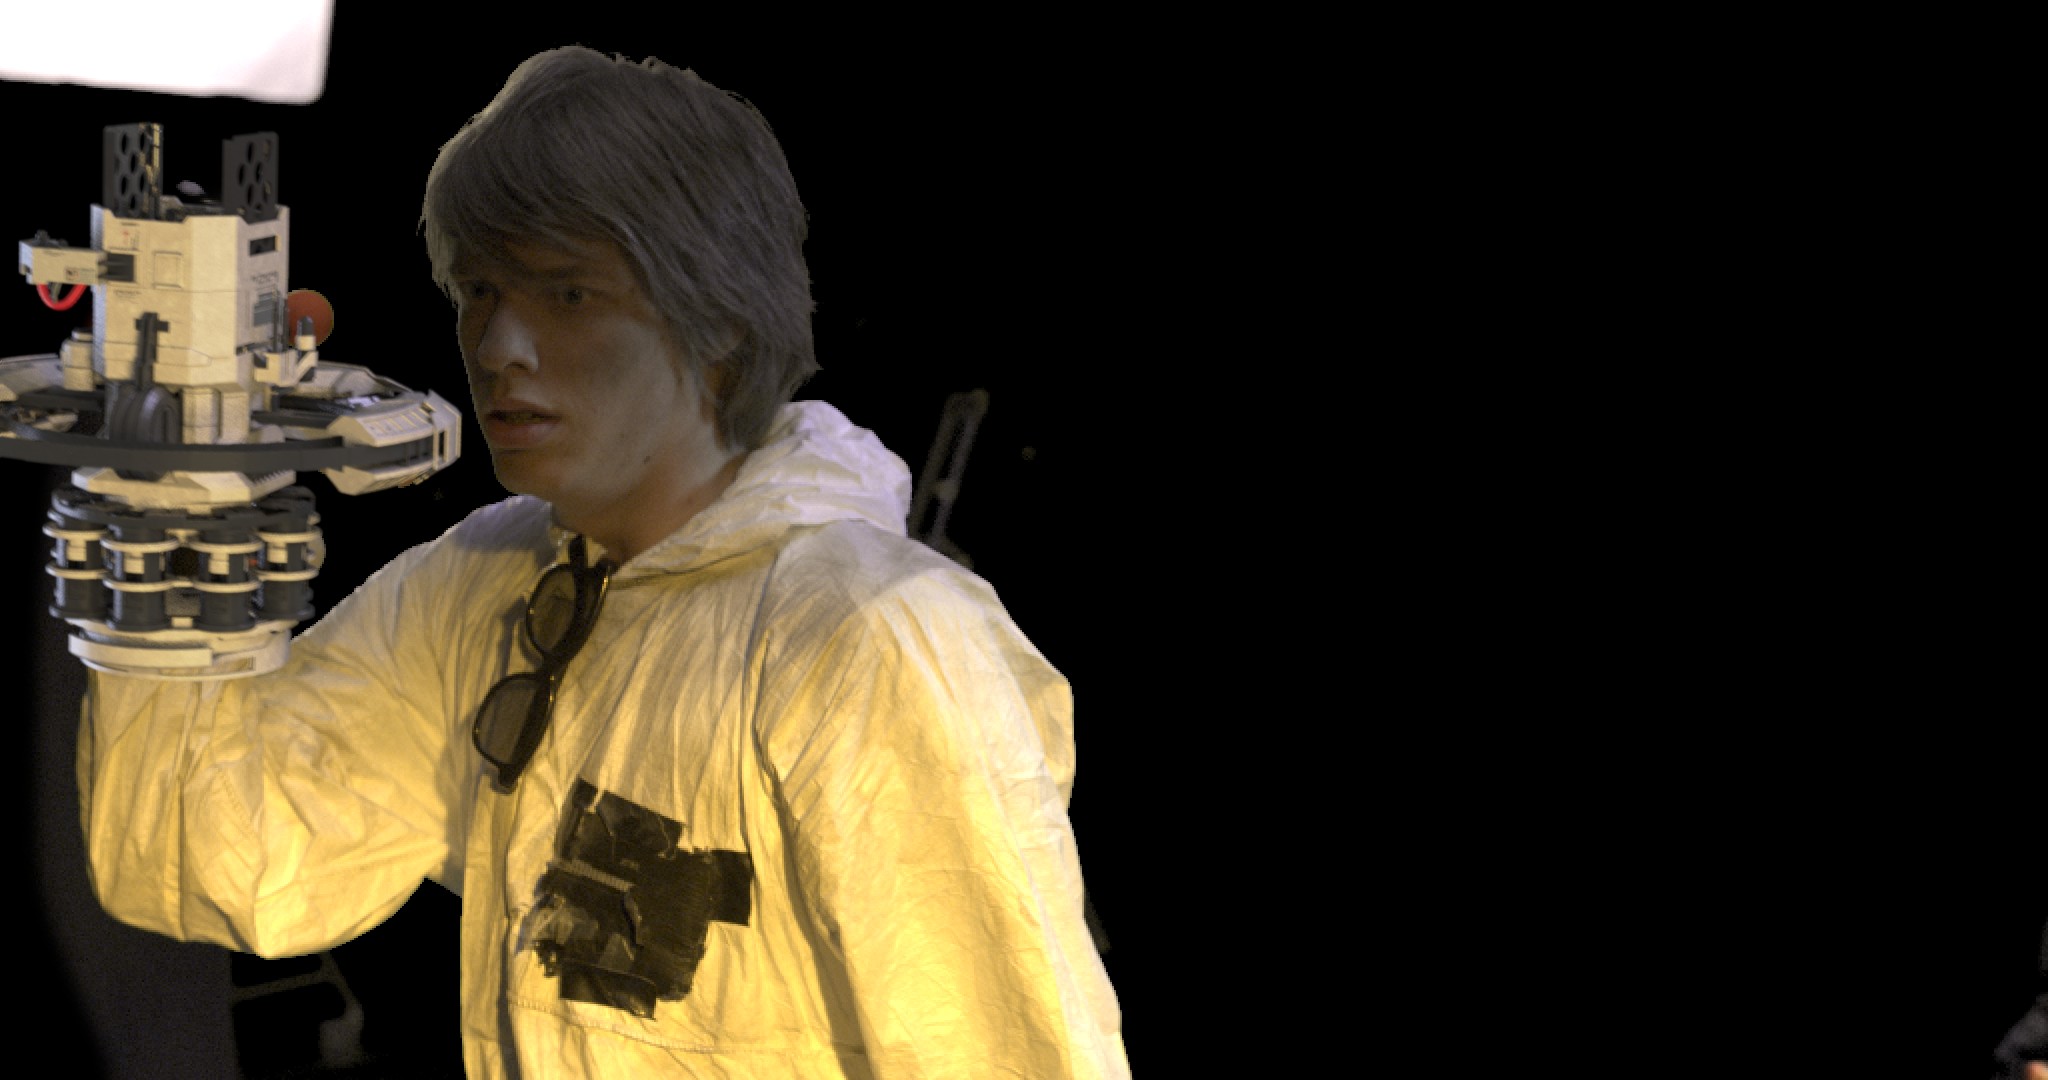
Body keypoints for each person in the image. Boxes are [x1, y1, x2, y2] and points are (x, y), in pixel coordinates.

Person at [76, 46, 1128, 1079]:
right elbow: (211, 856)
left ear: (717, 322)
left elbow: (1008, 1057)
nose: (497, 347)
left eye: (567, 295)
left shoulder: (868, 636)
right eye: (479, 291)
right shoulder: (483, 586)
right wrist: (176, 501)